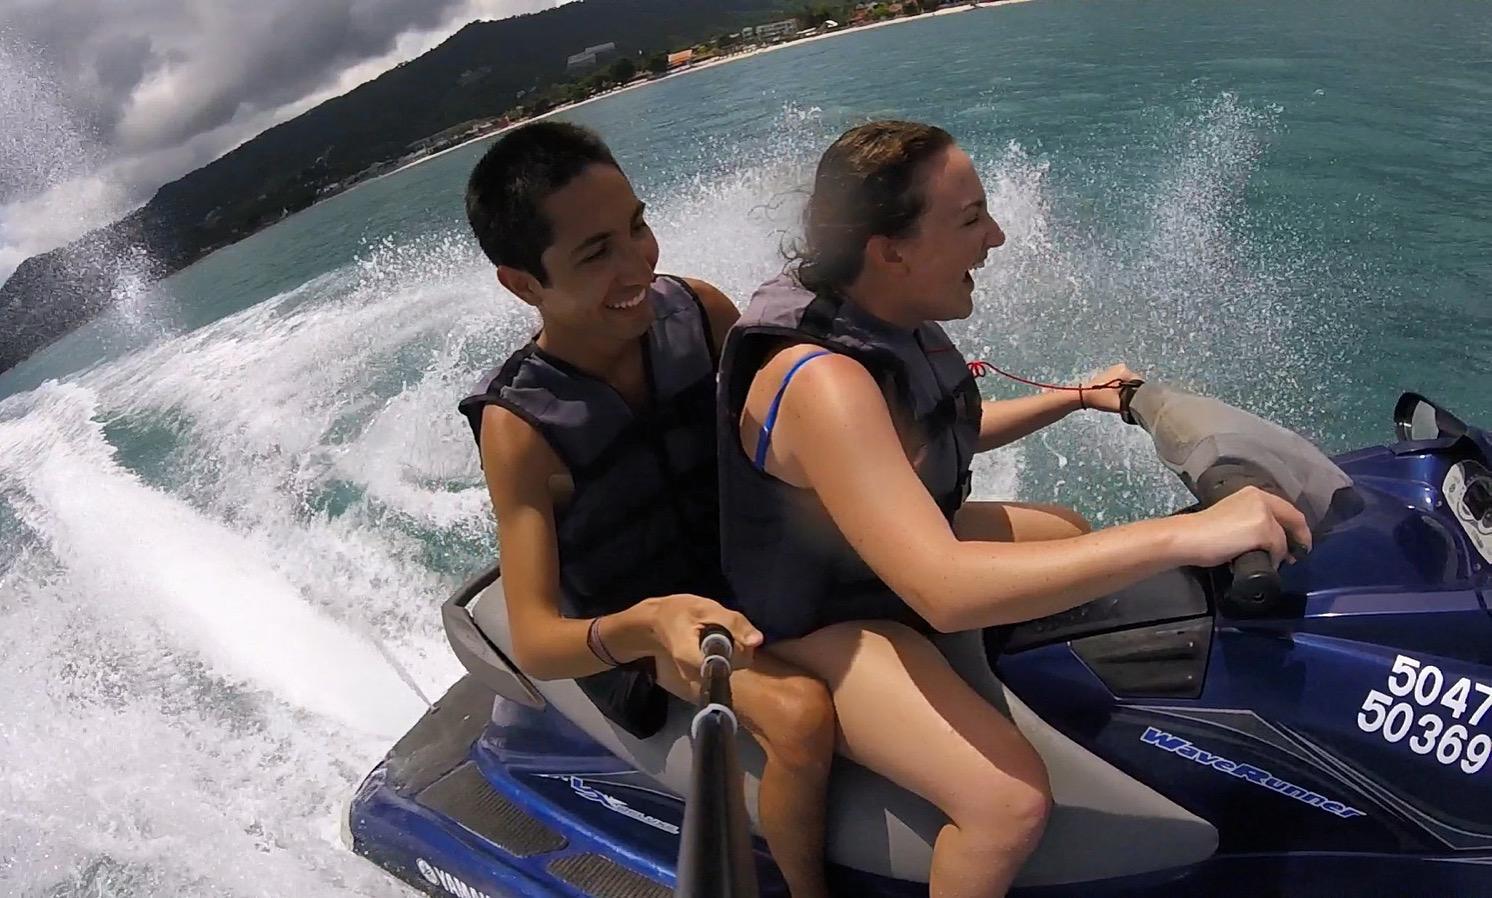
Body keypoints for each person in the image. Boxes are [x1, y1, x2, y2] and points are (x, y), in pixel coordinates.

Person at [716, 120, 1312, 898]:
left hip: (871, 555)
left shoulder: (882, 313)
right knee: (1008, 804)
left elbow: (933, 434)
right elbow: (943, 588)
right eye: (970, 221)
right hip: (827, 615)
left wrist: (1069, 398)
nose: (996, 237)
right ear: (887, 249)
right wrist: (1185, 533)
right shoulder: (822, 381)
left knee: (1064, 529)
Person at [458, 121, 835, 898]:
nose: (638, 264)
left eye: (637, 226)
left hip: (748, 572)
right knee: (799, 719)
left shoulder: (699, 310)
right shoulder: (520, 427)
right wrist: (650, 623)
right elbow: (534, 636)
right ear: (523, 283)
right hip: (642, 635)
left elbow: (785, 437)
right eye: (597, 253)